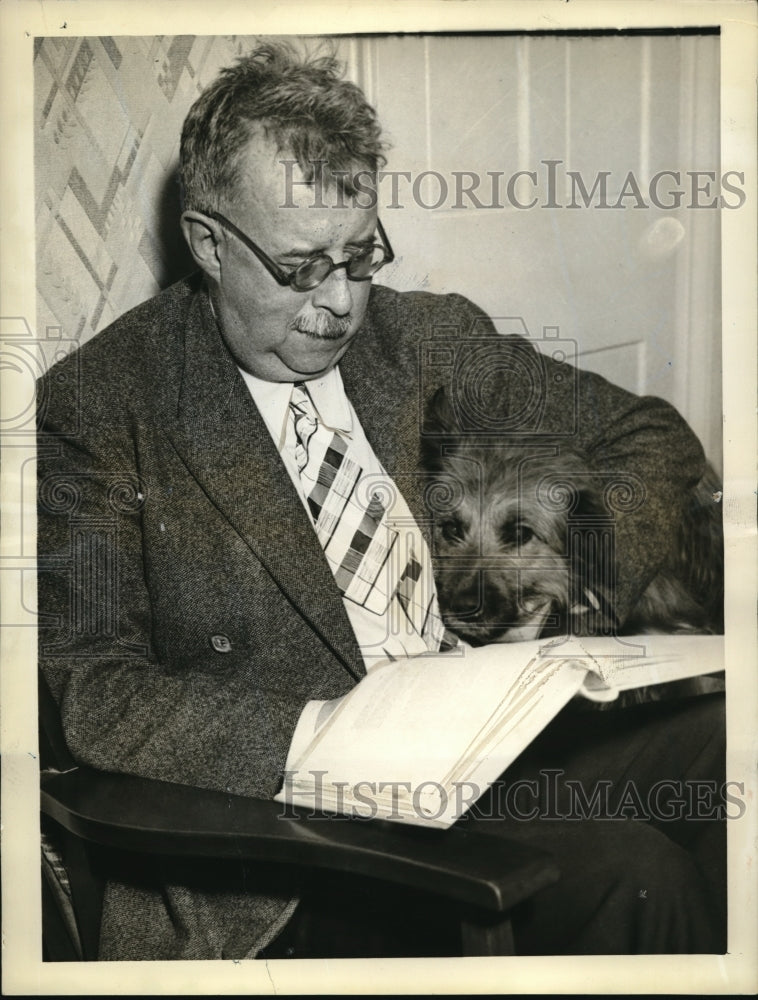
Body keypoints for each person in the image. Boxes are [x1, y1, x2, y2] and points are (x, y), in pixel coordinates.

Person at [37, 41, 726, 960]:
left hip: (500, 749)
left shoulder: (421, 337)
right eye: (298, 268)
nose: (338, 306)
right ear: (207, 242)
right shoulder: (102, 405)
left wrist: (587, 591)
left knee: (735, 750)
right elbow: (92, 686)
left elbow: (650, 436)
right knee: (633, 876)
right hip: (297, 836)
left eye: (358, 256)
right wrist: (324, 733)